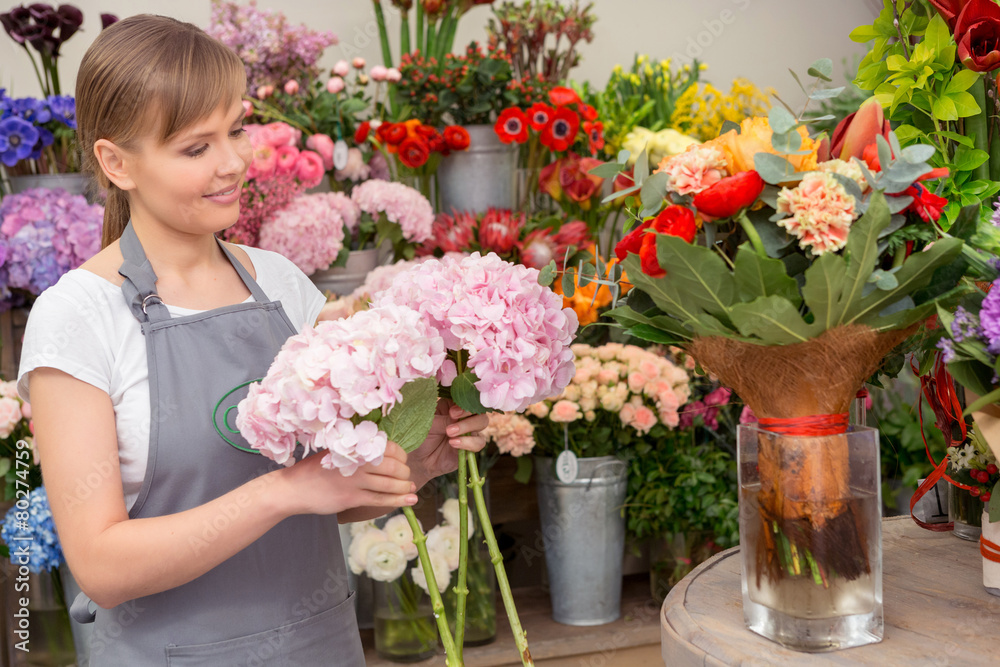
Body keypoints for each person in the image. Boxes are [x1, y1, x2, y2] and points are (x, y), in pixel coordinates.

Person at [16, 14, 488, 665]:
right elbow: (101, 563)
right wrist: (283, 490)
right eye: (195, 147)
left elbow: (327, 496)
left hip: (319, 644)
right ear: (116, 162)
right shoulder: (77, 316)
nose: (234, 161)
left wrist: (416, 457)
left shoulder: (282, 284)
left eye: (236, 128)